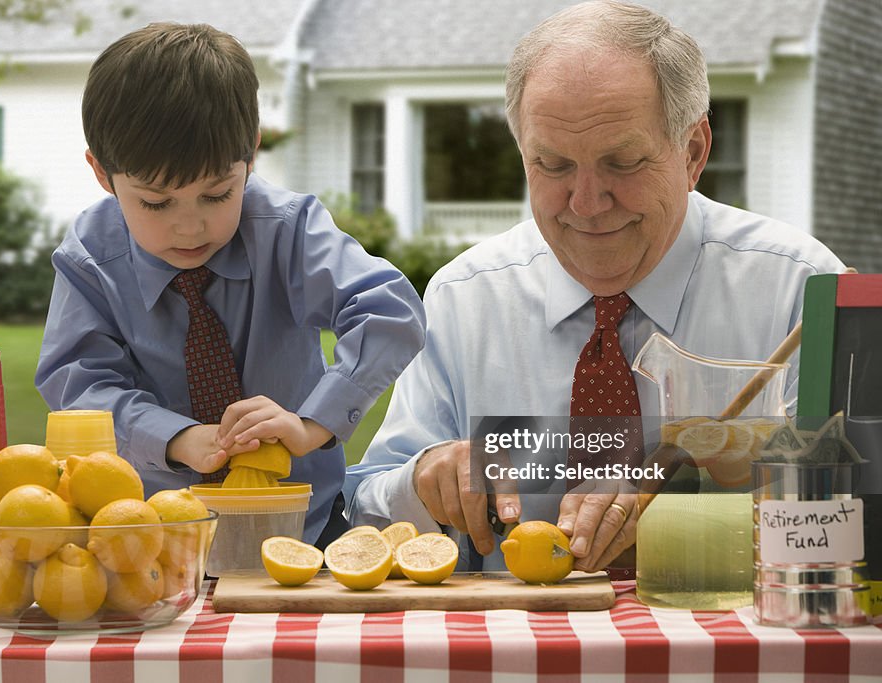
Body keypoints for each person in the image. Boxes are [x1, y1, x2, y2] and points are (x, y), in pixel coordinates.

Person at [344, 0, 845, 572]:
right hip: (517, 655)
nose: (586, 203)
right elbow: (367, 512)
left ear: (693, 152)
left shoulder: (800, 292)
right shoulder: (466, 299)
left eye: (623, 162)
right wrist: (425, 478)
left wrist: (678, 505)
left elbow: (848, 516)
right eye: (553, 165)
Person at [35, 23, 426, 547]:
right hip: (149, 536)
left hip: (307, 531)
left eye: (218, 194)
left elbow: (389, 311)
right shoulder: (91, 256)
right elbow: (78, 386)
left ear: (252, 156)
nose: (190, 227)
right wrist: (175, 438)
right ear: (101, 173)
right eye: (155, 202)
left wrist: (313, 422)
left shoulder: (287, 230)